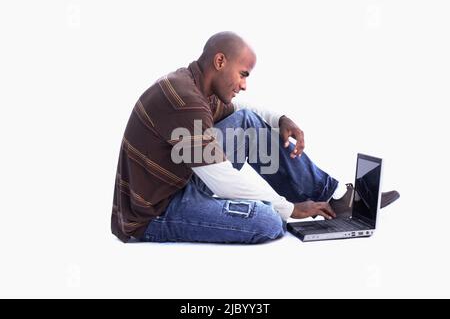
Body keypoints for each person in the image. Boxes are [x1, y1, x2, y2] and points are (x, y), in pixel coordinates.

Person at [111, 31, 399, 244]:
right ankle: (296, 205)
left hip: (181, 178)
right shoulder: (185, 101)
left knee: (246, 123)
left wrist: (280, 119)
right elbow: (221, 178)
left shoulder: (198, 87)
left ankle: (333, 197)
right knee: (269, 221)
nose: (244, 85)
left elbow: (244, 112)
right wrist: (289, 208)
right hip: (154, 213)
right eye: (243, 74)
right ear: (220, 61)